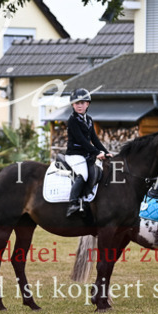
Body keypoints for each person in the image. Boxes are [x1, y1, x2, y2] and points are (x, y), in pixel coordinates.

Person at [64, 88, 108, 217]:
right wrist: (96, 153)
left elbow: (94, 139)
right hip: (74, 155)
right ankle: (72, 203)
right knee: (83, 174)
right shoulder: (72, 120)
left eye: (82, 103)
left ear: (87, 104)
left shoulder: (89, 119)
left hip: (85, 155)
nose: (79, 105)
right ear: (73, 105)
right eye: (77, 103)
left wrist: (105, 152)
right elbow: (82, 141)